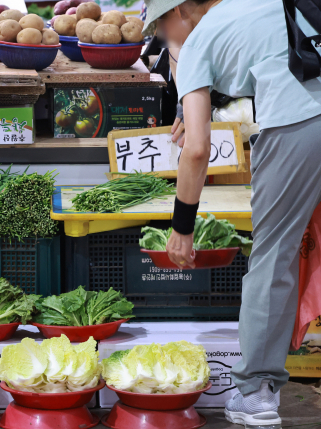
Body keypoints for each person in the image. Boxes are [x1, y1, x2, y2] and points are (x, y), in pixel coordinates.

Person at [142, 0, 321, 427]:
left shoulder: (196, 43)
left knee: (274, 253)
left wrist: (182, 228)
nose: (167, 40)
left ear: (180, 10)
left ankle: (256, 394)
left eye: (164, 29)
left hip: (300, 122)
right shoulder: (247, 5)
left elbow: (197, 150)